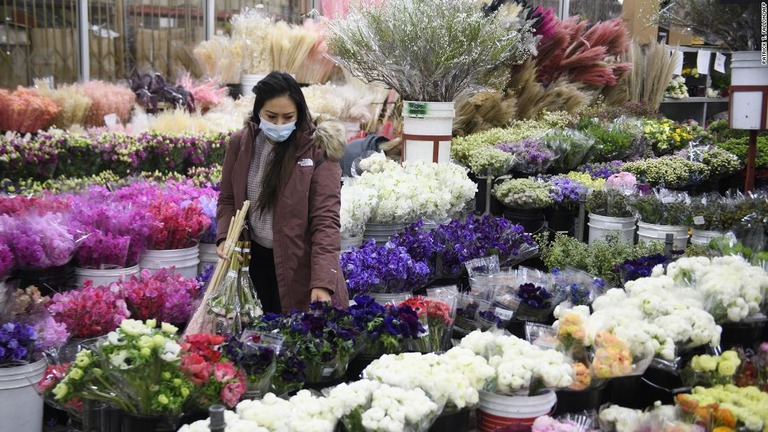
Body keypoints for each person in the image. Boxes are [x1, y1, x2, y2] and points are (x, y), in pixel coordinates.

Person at [216, 71, 349, 314]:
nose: (279, 125)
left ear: (299, 114)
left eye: (288, 117)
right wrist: (225, 236)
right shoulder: (241, 144)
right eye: (271, 116)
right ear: (258, 112)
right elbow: (227, 198)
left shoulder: (317, 151)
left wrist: (322, 281)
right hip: (254, 265)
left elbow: (326, 221)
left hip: (301, 268)